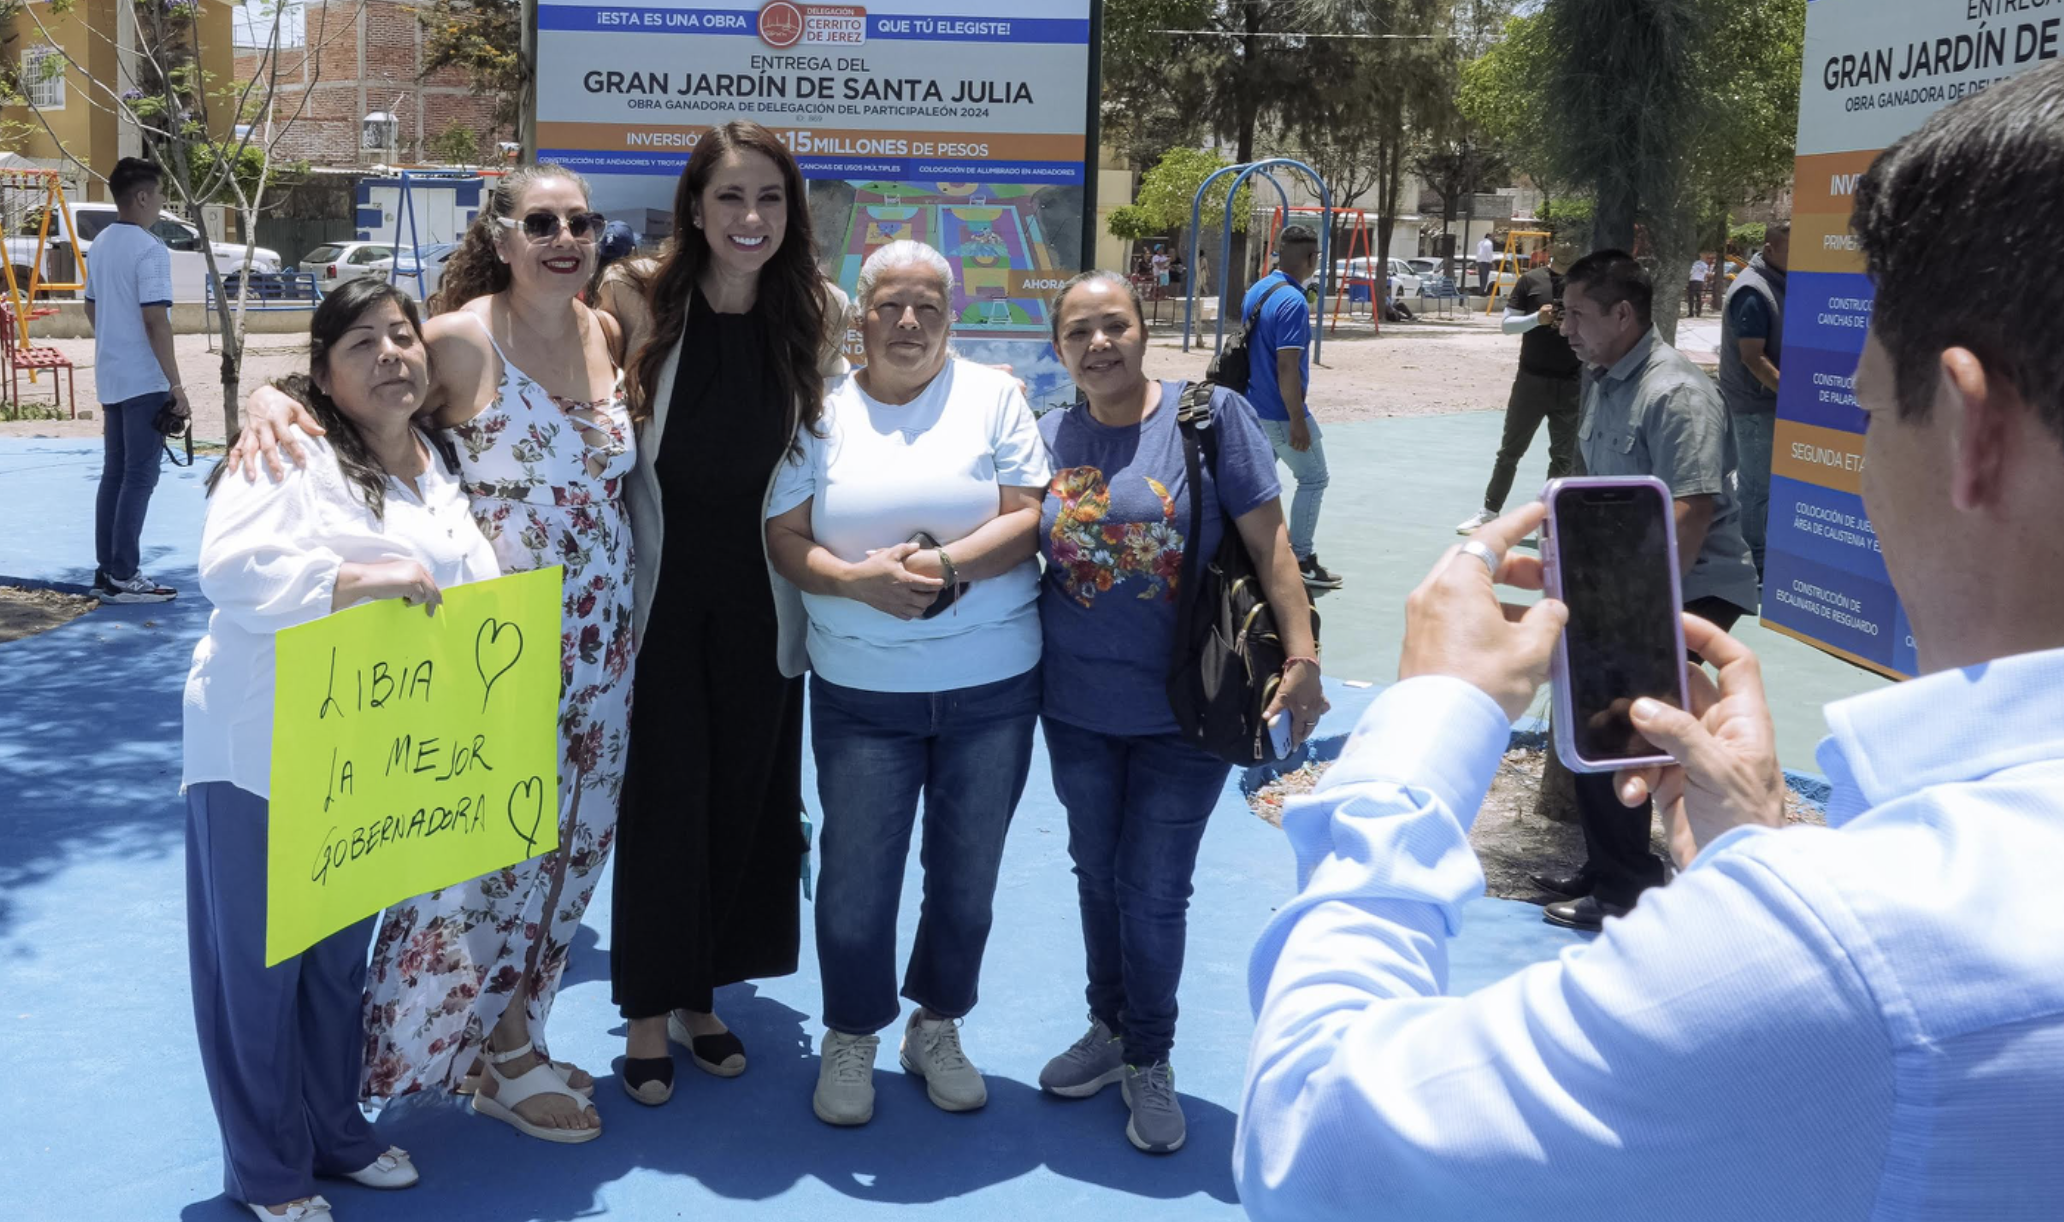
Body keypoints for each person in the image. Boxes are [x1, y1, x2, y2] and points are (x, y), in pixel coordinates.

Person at [1236, 62, 2064, 1221]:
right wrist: (1761, 847)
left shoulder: (1860, 953)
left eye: (1869, 408)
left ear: (1973, 430)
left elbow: (1319, 1140)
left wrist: (1429, 717)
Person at [228, 163, 635, 1141]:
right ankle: (481, 1052)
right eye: (541, 222)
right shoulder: (458, 339)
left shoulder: (610, 331)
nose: (563, 237)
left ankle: (517, 1032)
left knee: (575, 850)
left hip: (609, 649)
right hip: (495, 650)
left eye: (581, 221)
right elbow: (351, 392)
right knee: (492, 854)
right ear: (501, 238)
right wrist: (265, 401)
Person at [184, 279, 497, 1220]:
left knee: (335, 967)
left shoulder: (433, 462)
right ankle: (268, 1173)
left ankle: (334, 1127)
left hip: (370, 761)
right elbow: (230, 571)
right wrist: (353, 580)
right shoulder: (285, 450)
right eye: (360, 343)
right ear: (322, 372)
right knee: (258, 972)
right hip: (260, 750)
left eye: (402, 336)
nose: (390, 354)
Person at [1035, 270, 1328, 1155]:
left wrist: (1304, 655)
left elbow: (1272, 540)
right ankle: (1111, 1025)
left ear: (1143, 329)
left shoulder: (1208, 420)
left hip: (1187, 709)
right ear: (1060, 348)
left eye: (1114, 325)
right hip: (1077, 707)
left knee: (1154, 890)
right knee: (1096, 872)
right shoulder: (1046, 437)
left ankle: (1149, 1057)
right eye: (1079, 331)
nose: (1100, 344)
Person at [764, 241, 1050, 1127]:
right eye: (891, 304)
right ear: (862, 316)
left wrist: (941, 569)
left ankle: (936, 1025)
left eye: (929, 305)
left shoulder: (995, 396)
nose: (910, 321)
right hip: (861, 695)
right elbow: (784, 534)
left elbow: (1029, 515)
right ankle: (852, 1032)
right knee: (855, 881)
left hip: (993, 688)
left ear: (951, 315)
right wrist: (854, 583)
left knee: (966, 878)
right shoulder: (818, 412)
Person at [610, 120, 851, 1106]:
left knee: (746, 801)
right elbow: (499, 338)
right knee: (664, 798)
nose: (749, 218)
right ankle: (646, 1013)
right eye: (729, 199)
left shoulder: (819, 314)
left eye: (769, 200)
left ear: (790, 213)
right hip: (662, 597)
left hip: (766, 603)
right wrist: (291, 401)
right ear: (695, 209)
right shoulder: (637, 301)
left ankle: (705, 994)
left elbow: (903, 389)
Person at [1537, 249, 1759, 931]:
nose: (1564, 327)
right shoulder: (1605, 377)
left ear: (1623, 313)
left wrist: (1641, 615)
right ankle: (1609, 868)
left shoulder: (1675, 392)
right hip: (1621, 582)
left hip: (1685, 585)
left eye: (1578, 314)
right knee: (1596, 717)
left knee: (1619, 720)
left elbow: (1687, 515)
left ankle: (1626, 891)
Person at [86, 157, 186, 603]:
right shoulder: (150, 249)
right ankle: (125, 575)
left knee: (116, 474)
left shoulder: (102, 242)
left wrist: (113, 340)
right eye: (160, 194)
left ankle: (109, 570)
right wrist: (176, 385)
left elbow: (92, 307)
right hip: (144, 380)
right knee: (140, 477)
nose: (162, 203)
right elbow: (156, 321)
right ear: (142, 196)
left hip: (110, 374)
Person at [1239, 224, 1342, 591]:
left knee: (1259, 485)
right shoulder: (1294, 302)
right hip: (1281, 413)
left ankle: (1249, 554)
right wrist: (1297, 421)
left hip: (1253, 408)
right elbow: (1287, 367)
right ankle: (1300, 558)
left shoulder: (1259, 290)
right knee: (1314, 478)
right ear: (1312, 259)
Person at [1455, 249, 1582, 534]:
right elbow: (1507, 326)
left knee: (1563, 458)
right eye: (1563, 242)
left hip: (1572, 383)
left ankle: (1548, 519)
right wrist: (1537, 318)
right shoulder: (1531, 280)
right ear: (1554, 247)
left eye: (1574, 242)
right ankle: (1489, 512)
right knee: (1510, 452)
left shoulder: (1585, 283)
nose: (1568, 247)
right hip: (1531, 382)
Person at [1719, 222, 1790, 581]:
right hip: (1753, 405)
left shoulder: (1780, 281)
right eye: (1792, 250)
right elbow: (1751, 356)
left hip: (1768, 402)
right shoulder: (1753, 290)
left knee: (1761, 485)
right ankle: (1752, 563)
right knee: (1755, 486)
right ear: (1770, 249)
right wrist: (1793, 396)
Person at [1687, 253, 1711, 317]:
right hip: (1700, 281)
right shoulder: (1704, 265)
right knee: (1699, 297)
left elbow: (1690, 272)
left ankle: (1691, 313)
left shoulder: (1692, 264)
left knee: (1691, 298)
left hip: (1693, 281)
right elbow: (1706, 273)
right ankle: (1698, 312)